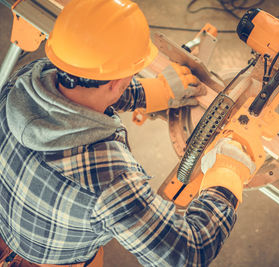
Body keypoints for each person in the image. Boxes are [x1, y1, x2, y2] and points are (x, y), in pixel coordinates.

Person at [0, 0, 255, 266]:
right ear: (120, 81)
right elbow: (187, 254)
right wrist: (228, 174)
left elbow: (88, 89)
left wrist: (153, 93)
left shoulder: (27, 79)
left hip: (12, 218)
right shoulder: (108, 179)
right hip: (53, 259)